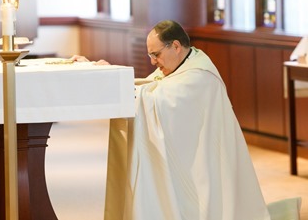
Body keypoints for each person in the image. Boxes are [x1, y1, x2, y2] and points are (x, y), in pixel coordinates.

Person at [73, 20, 271, 220]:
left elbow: (156, 100)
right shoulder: (181, 64)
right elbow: (148, 89)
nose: (153, 62)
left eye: (155, 55)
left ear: (175, 46)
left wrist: (111, 81)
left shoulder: (200, 76)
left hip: (200, 166)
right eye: (150, 55)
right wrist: (107, 75)